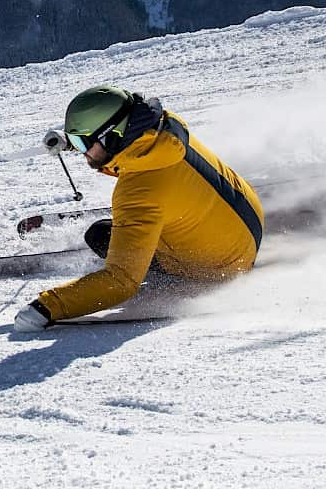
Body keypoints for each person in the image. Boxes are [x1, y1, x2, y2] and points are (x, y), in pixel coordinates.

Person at [13, 86, 264, 331]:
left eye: (82, 143)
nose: (81, 153)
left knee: (99, 236)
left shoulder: (137, 195)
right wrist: (70, 142)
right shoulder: (164, 127)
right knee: (141, 211)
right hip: (247, 218)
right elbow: (130, 158)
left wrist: (47, 307)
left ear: (110, 136)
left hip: (219, 266)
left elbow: (121, 281)